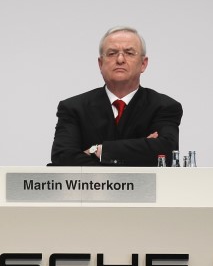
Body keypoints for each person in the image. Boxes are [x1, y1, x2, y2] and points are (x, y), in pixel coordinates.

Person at [50, 26, 183, 166]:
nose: (120, 60)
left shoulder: (164, 107)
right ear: (100, 64)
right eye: (112, 53)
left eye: (129, 53)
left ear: (143, 64)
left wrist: (99, 150)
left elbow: (167, 152)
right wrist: (141, 150)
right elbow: (62, 158)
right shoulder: (73, 108)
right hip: (91, 187)